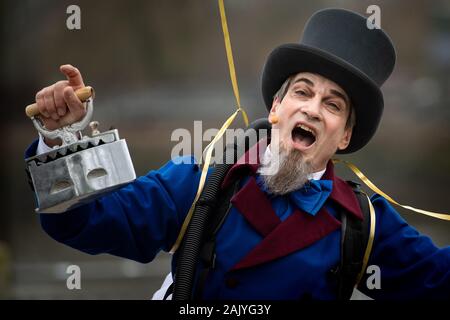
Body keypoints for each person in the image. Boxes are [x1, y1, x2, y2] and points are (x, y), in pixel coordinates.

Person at [25, 8, 449, 300]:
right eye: (302, 91)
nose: (313, 108)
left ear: (344, 137)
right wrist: (62, 138)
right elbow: (82, 222)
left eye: (333, 105)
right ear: (276, 109)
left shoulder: (365, 223)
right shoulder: (203, 179)